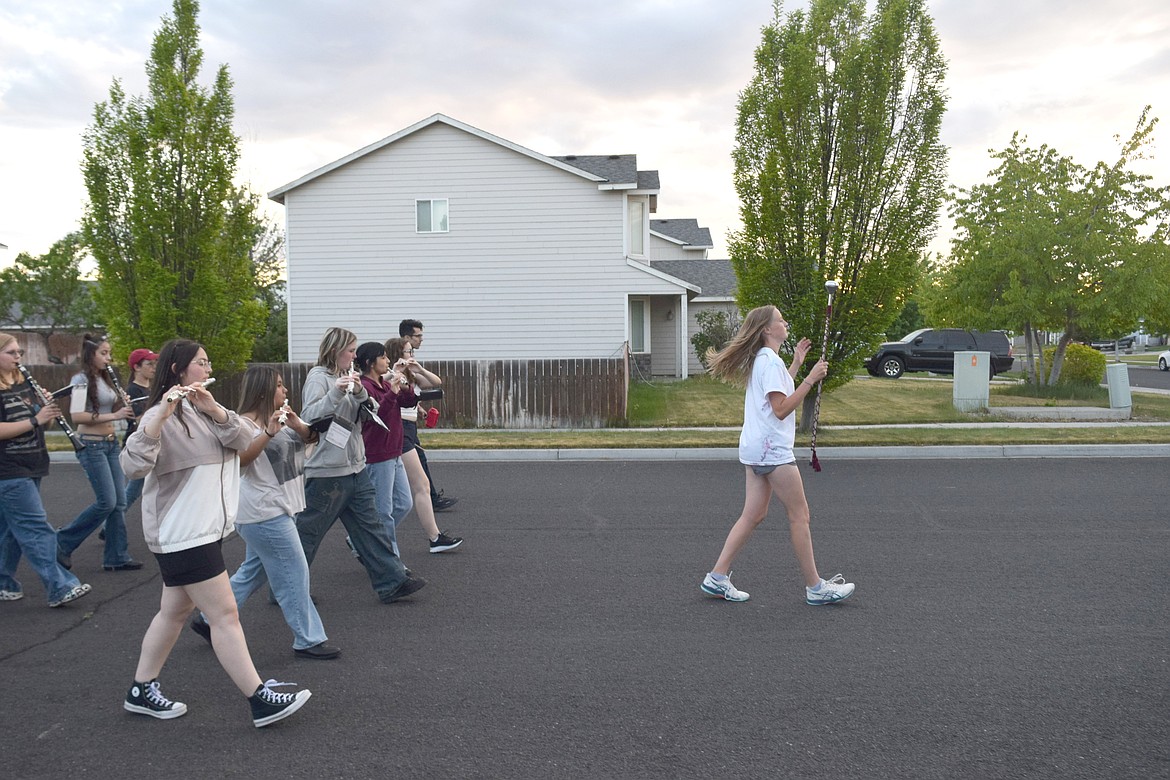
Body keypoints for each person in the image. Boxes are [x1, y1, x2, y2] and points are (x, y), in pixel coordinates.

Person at [120, 339, 311, 727]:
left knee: (174, 612)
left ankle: (141, 688)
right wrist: (160, 414)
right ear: (177, 370)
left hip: (201, 531)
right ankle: (259, 698)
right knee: (225, 614)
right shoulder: (159, 415)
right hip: (181, 533)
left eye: (209, 363)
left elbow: (244, 439)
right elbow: (132, 465)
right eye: (200, 363)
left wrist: (214, 408)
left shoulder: (204, 409)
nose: (208, 369)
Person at [699, 305, 855, 605]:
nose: (785, 323)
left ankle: (717, 577)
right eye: (781, 320)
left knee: (753, 514)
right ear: (768, 330)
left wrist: (796, 364)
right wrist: (810, 379)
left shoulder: (767, 360)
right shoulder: (769, 362)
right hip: (773, 452)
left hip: (756, 449)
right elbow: (781, 408)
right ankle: (816, 588)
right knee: (800, 515)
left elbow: (780, 391)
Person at [189, 366, 339, 660]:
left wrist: (296, 425)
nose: (285, 391)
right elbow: (241, 461)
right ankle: (308, 639)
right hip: (263, 513)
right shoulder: (243, 425)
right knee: (295, 574)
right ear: (263, 391)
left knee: (252, 573)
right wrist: (270, 432)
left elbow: (310, 439)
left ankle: (208, 620)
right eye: (280, 386)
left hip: (282, 506)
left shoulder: (282, 416)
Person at [294, 327, 426, 603]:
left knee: (372, 528)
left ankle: (392, 582)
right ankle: (288, 586)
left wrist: (359, 395)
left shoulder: (346, 376)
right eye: (351, 350)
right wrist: (337, 393)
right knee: (307, 534)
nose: (355, 356)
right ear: (335, 350)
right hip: (327, 471)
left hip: (355, 466)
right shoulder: (318, 378)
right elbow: (308, 417)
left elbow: (369, 412)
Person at [0, 333, 92, 607]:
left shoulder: (22, 385)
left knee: (10, 530)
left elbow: (43, 425)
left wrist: (45, 412)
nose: (18, 358)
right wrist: (35, 419)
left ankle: (4, 583)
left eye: (20, 353)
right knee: (35, 527)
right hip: (8, 469)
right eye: (12, 353)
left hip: (32, 463)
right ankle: (59, 586)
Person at [56, 334, 141, 571]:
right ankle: (62, 540)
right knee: (107, 502)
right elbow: (78, 416)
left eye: (109, 353)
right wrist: (116, 415)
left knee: (119, 503)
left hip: (111, 444)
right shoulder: (81, 379)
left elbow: (107, 407)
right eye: (104, 353)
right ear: (90, 354)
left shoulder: (104, 378)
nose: (108, 358)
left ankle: (116, 556)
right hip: (91, 445)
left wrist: (122, 405)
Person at [385, 337, 463, 553]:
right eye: (409, 352)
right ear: (396, 353)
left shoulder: (411, 374)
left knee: (400, 494)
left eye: (412, 351)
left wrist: (419, 369)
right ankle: (434, 538)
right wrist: (395, 371)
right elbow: (387, 393)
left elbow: (435, 382)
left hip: (409, 429)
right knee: (421, 486)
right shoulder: (390, 375)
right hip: (398, 430)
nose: (412, 355)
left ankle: (363, 536)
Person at [399, 319, 458, 512]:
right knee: (416, 462)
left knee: (403, 465)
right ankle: (430, 499)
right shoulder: (395, 370)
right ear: (406, 338)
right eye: (418, 336)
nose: (421, 340)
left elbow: (433, 382)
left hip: (409, 423)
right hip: (401, 425)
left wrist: (418, 406)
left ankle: (428, 498)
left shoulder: (409, 368)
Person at [121, 348, 158, 510]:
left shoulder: (152, 389)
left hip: (153, 442)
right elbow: (137, 419)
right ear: (136, 367)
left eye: (155, 363)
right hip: (139, 442)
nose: (154, 367)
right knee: (132, 491)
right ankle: (108, 526)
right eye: (149, 364)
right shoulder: (133, 390)